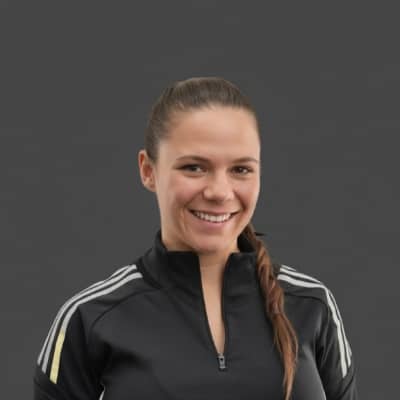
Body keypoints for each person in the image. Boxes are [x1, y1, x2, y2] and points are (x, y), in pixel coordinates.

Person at [33, 77, 359, 400]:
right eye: (193, 167)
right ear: (148, 170)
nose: (219, 192)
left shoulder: (312, 305)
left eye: (241, 169)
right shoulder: (91, 317)